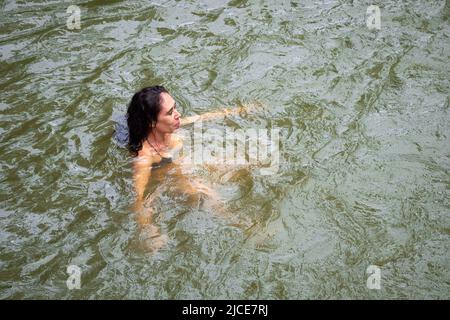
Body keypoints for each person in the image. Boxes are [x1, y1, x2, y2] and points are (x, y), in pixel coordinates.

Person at [122, 85, 244, 251]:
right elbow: (137, 200)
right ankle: (244, 227)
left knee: (240, 160)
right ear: (152, 122)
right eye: (170, 112)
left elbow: (201, 118)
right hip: (164, 173)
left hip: (178, 162)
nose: (178, 115)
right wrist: (149, 230)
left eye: (175, 108)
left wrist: (241, 110)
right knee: (202, 192)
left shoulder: (170, 126)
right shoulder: (144, 157)